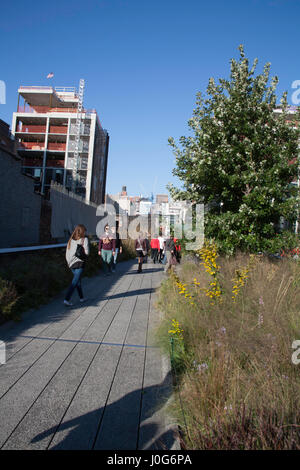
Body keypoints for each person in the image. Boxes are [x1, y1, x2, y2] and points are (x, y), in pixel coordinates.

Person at [64, 224, 89, 306]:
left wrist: (69, 263)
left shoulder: (70, 240)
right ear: (82, 232)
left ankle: (81, 298)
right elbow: (87, 253)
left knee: (77, 281)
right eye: (84, 231)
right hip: (79, 263)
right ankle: (66, 299)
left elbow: (67, 252)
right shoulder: (84, 239)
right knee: (75, 282)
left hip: (71, 263)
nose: (85, 233)